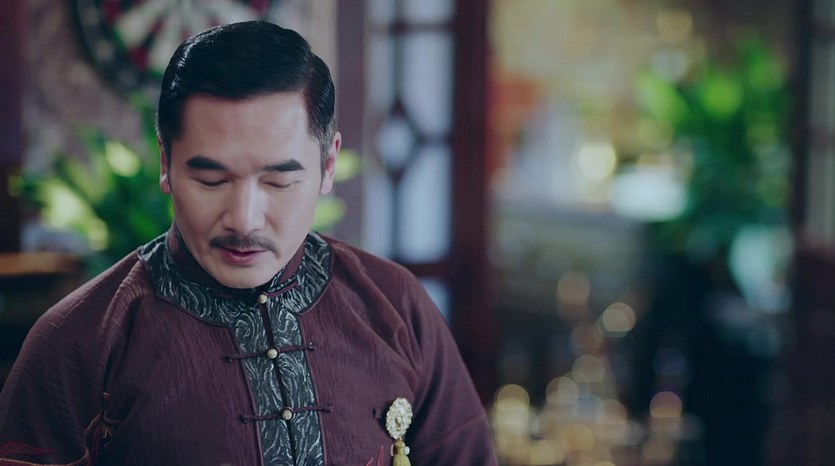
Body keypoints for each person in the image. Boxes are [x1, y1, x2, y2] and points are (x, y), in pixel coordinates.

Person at [0, 21, 497, 465]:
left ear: (328, 166)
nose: (243, 219)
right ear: (166, 163)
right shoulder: (79, 343)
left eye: (279, 182)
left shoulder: (395, 304)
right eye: (211, 180)